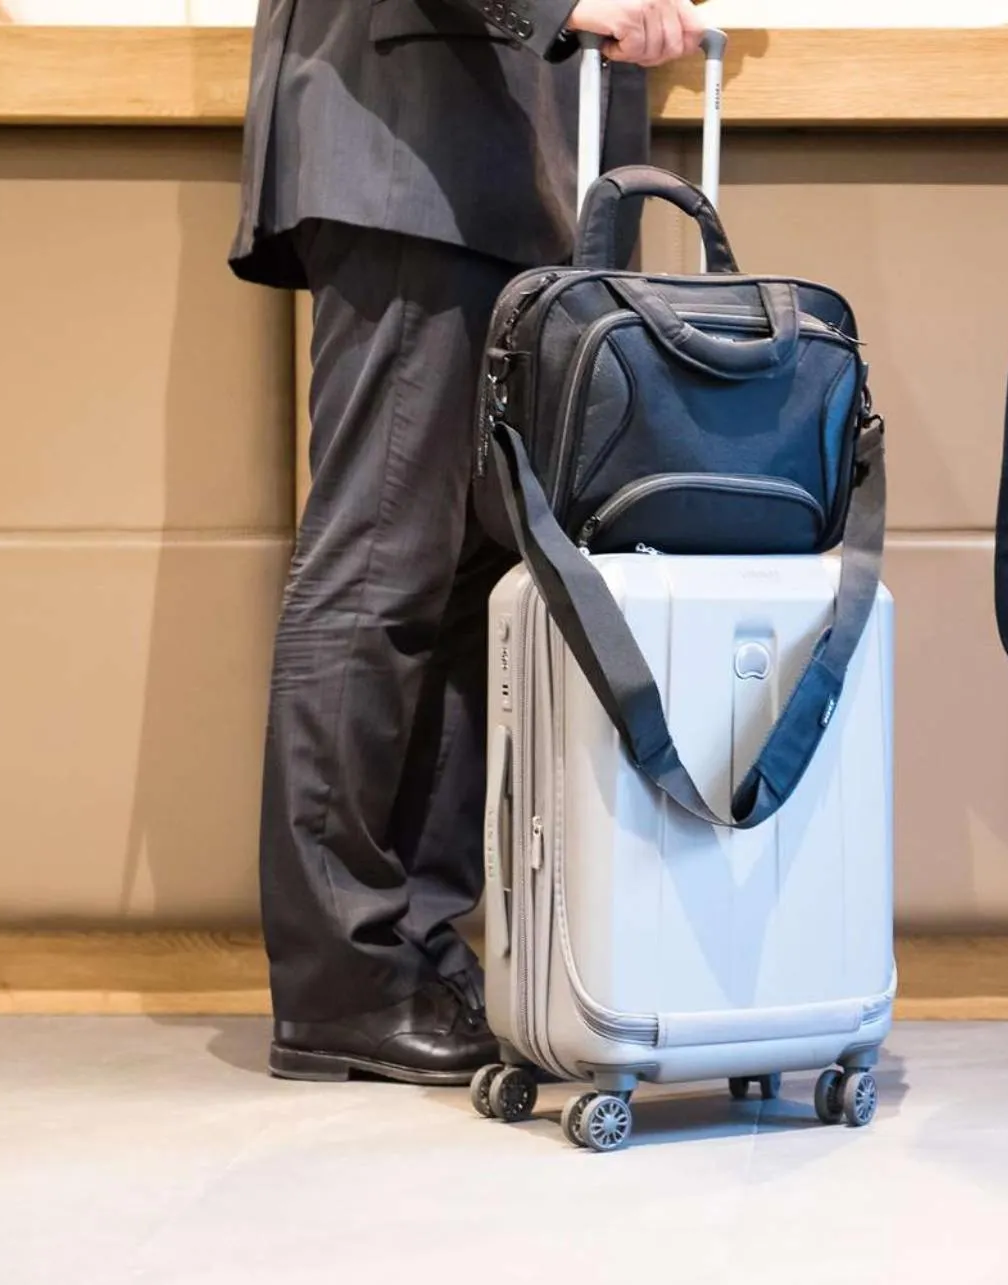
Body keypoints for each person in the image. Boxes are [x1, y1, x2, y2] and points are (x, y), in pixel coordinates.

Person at [228, 0, 706, 1085]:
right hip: (409, 150)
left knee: (458, 583)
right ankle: (340, 979)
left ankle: (412, 952)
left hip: (483, 171)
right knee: (377, 568)